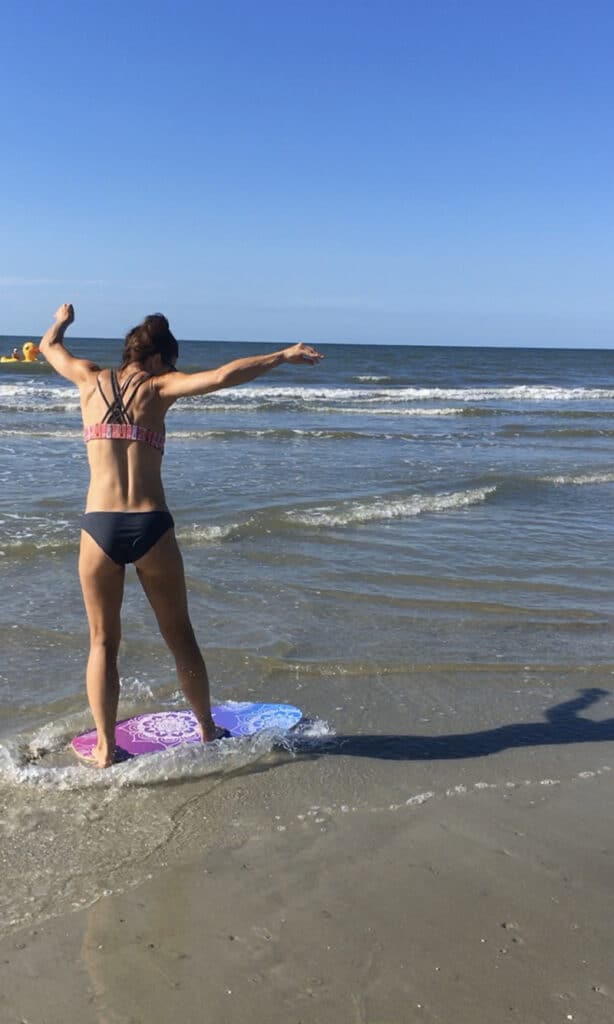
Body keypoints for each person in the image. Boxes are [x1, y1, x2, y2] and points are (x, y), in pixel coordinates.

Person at [40, 303, 323, 767]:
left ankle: (107, 749)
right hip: (151, 525)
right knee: (181, 637)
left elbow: (50, 347)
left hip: (99, 528)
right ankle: (207, 730)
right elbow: (223, 375)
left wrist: (62, 321)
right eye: (170, 362)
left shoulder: (87, 379)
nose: (174, 370)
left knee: (102, 642)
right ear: (156, 360)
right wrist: (282, 355)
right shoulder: (159, 387)